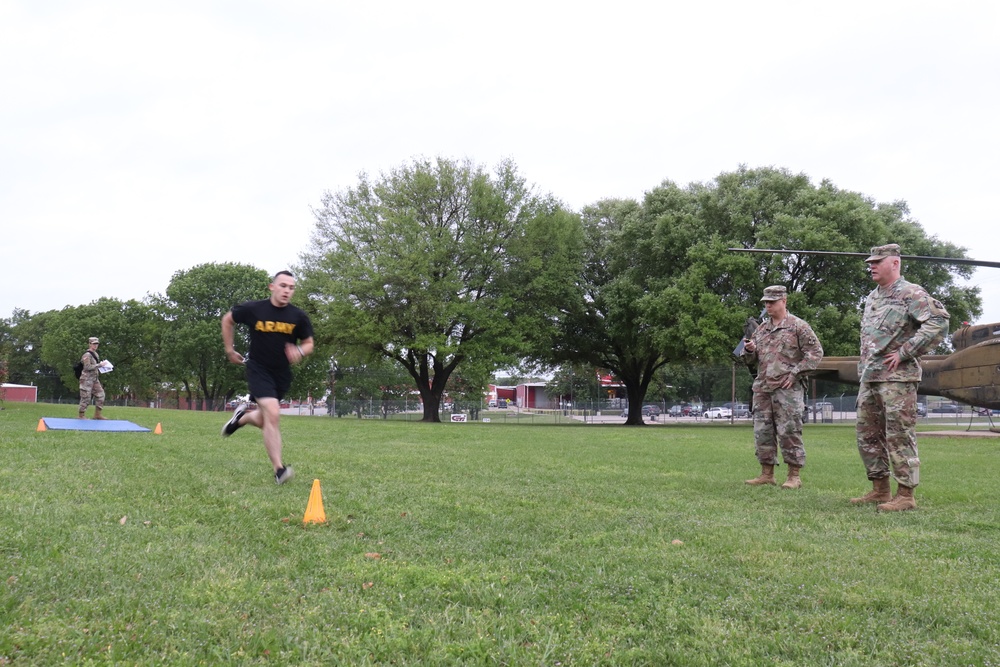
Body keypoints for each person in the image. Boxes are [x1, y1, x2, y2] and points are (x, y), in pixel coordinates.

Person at [852, 244, 949, 511]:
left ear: (894, 263)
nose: (871, 265)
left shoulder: (911, 292)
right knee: (867, 435)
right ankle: (880, 489)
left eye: (877, 261)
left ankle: (906, 494)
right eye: (870, 262)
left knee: (900, 436)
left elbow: (938, 322)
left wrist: (906, 351)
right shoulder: (873, 296)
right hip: (870, 377)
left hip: (898, 379)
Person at [220, 271, 315, 485]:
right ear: (271, 287)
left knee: (265, 419)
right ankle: (279, 470)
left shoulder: (298, 316)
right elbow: (228, 320)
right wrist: (229, 350)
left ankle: (241, 418)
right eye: (282, 286)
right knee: (273, 413)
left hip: (281, 374)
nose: (287, 291)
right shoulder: (254, 309)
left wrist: (299, 351)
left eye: (291, 288)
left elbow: (309, 344)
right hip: (258, 369)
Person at [741, 285, 824, 489]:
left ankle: (793, 476)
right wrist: (749, 350)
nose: (768, 306)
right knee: (763, 431)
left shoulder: (798, 326)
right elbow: (751, 360)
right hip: (763, 388)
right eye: (766, 303)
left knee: (789, 431)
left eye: (772, 302)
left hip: (787, 389)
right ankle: (766, 473)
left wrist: (795, 373)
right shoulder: (761, 329)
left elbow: (815, 353)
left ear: (784, 301)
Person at [78, 336, 110, 419]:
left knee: (101, 395)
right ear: (89, 344)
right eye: (94, 344)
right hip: (86, 379)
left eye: (97, 344)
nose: (95, 346)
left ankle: (97, 414)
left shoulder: (96, 354)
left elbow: (94, 366)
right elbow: (87, 367)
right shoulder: (87, 355)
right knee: (86, 398)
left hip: (94, 379)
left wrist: (103, 366)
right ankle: (81, 415)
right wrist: (99, 365)